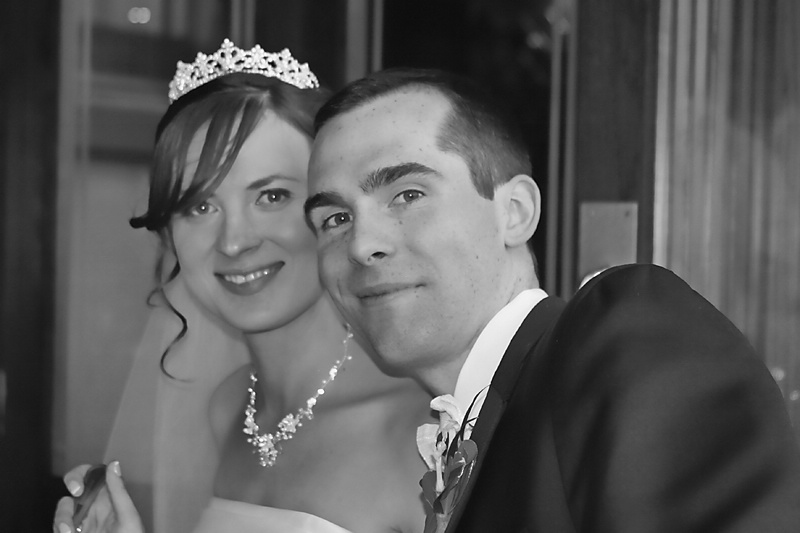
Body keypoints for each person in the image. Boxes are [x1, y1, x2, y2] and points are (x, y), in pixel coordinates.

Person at [303, 67, 800, 532]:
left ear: (515, 212)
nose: (363, 245)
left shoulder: (622, 339)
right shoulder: (467, 430)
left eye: (408, 195)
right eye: (335, 219)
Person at [53, 42, 432, 533]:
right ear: (169, 233)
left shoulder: (420, 428)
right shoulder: (226, 410)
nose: (233, 241)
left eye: (272, 196)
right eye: (200, 207)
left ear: (333, 211)